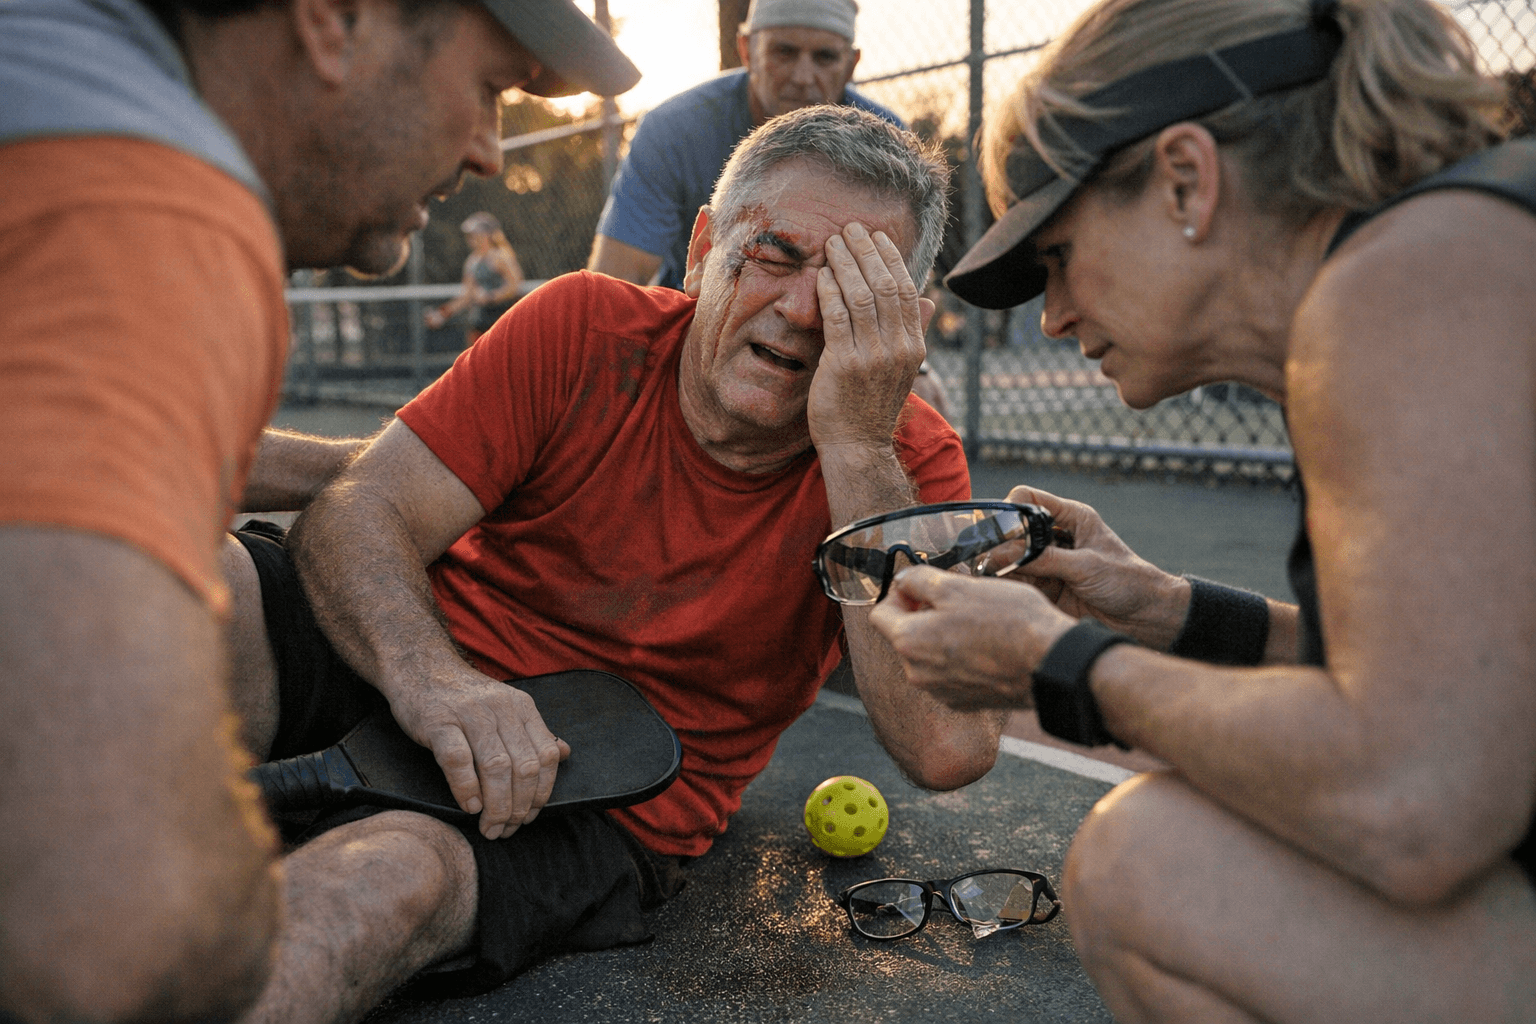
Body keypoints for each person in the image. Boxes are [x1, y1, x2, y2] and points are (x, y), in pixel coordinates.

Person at [219, 105, 1003, 1020]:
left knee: (378, 885)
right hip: (409, 662)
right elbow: (360, 509)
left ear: (899, 322)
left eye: (848, 291)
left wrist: (859, 445)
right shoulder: (582, 326)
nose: (799, 310)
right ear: (706, 246)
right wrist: (435, 681)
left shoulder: (910, 464)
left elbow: (946, 747)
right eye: (776, 255)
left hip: (606, 792)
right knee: (196, 586)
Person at [868, 0, 1536, 1019]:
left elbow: (1416, 796)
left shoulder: (1402, 287)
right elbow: (1459, 695)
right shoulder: (1448, 250)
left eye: (1058, 255)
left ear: (1186, 176)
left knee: (1149, 869)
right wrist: (1163, 608)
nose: (1051, 315)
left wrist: (1051, 663)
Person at [0, 0, 638, 1020]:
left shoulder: (48, 62)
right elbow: (117, 942)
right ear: (335, 18)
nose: (488, 151)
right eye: (489, 89)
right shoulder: (145, 195)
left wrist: (393, 468)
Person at [586, 0, 902, 291]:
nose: (804, 77)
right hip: (694, 318)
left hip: (830, 325)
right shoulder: (674, 131)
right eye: (784, 52)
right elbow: (616, 282)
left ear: (851, 65)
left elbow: (901, 278)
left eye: (825, 57)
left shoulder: (888, 146)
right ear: (747, 50)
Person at [424, 211, 526, 346]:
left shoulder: (501, 256)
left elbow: (514, 286)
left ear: (488, 234)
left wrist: (491, 297)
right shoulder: (472, 261)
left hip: (504, 320)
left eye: (477, 234)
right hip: (481, 322)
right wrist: (442, 314)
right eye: (470, 235)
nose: (472, 239)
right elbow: (467, 296)